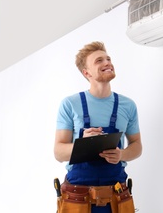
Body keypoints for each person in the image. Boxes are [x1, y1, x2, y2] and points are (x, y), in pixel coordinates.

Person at [54, 41, 142, 213]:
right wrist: (82, 143)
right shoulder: (70, 104)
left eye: (108, 59)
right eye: (99, 61)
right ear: (87, 73)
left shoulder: (128, 105)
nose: (107, 63)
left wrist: (121, 154)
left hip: (116, 196)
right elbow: (58, 152)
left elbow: (137, 146)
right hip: (77, 198)